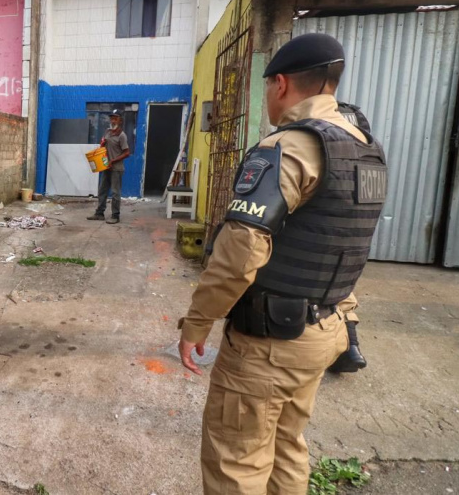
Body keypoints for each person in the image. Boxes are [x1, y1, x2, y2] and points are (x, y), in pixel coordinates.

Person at [177, 33, 388, 493]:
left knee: (236, 460)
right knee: (287, 445)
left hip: (269, 343)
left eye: (268, 85)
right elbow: (344, 244)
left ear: (281, 84)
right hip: (324, 330)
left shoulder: (288, 148)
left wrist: (197, 323)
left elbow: (240, 253)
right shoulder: (365, 150)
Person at [87, 110, 130, 224]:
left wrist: (113, 161)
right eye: (112, 118)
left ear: (120, 121)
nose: (113, 120)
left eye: (115, 118)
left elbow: (127, 153)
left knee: (115, 192)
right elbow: (103, 145)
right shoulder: (107, 132)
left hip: (116, 168)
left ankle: (115, 216)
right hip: (106, 166)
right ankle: (99, 213)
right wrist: (102, 144)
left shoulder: (122, 135)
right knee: (102, 190)